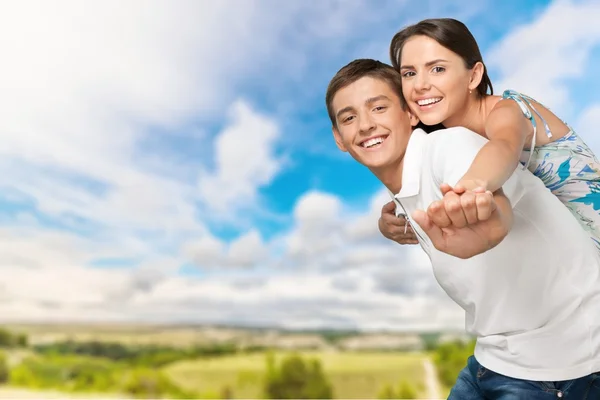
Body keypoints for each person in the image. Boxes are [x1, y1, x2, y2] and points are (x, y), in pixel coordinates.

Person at [325, 58, 600, 399]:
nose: (365, 125)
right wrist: (387, 225)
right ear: (339, 138)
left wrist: (486, 224)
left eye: (378, 107)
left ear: (411, 113)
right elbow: (403, 210)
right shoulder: (404, 193)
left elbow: (491, 203)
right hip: (493, 358)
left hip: (559, 366)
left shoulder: (450, 147)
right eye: (349, 117)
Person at [379, 18, 600, 251]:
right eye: (409, 73)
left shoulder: (508, 110)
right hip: (559, 255)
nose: (420, 85)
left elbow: (503, 147)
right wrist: (392, 221)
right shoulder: (442, 140)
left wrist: (469, 188)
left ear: (473, 76)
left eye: (438, 69)